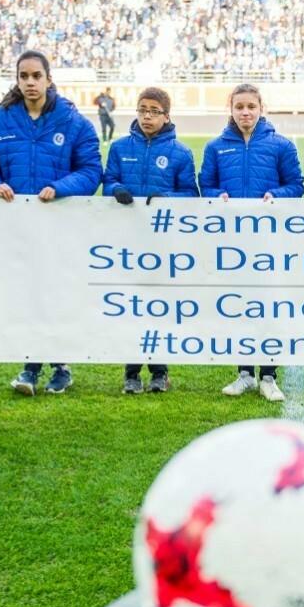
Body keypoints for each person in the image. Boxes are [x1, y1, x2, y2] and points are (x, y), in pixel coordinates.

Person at [0, 50, 102, 396]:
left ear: (49, 79)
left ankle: (61, 367)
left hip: (61, 227)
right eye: (24, 76)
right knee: (27, 296)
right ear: (16, 79)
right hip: (16, 227)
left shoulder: (75, 123)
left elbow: (92, 171)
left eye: (36, 76)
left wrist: (60, 187)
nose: (30, 82)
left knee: (57, 295)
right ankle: (31, 366)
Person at [199, 83, 304, 403]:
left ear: (261, 108)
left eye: (251, 106)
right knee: (239, 307)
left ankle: (269, 376)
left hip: (269, 241)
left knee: (268, 307)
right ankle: (245, 374)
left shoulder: (281, 146)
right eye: (239, 106)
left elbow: (296, 185)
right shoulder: (216, 147)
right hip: (232, 241)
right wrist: (218, 196)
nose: (245, 112)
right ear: (230, 109)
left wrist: (277, 195)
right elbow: (206, 185)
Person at [103, 86, 199, 395]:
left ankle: (160, 371)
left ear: (166, 116)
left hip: (163, 243)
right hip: (128, 241)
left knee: (158, 307)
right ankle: (131, 372)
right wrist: (115, 189)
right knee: (132, 306)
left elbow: (191, 195)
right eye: (143, 110)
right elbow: (108, 182)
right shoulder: (119, 148)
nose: (147, 116)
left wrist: (167, 197)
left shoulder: (181, 153)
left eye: (154, 111)